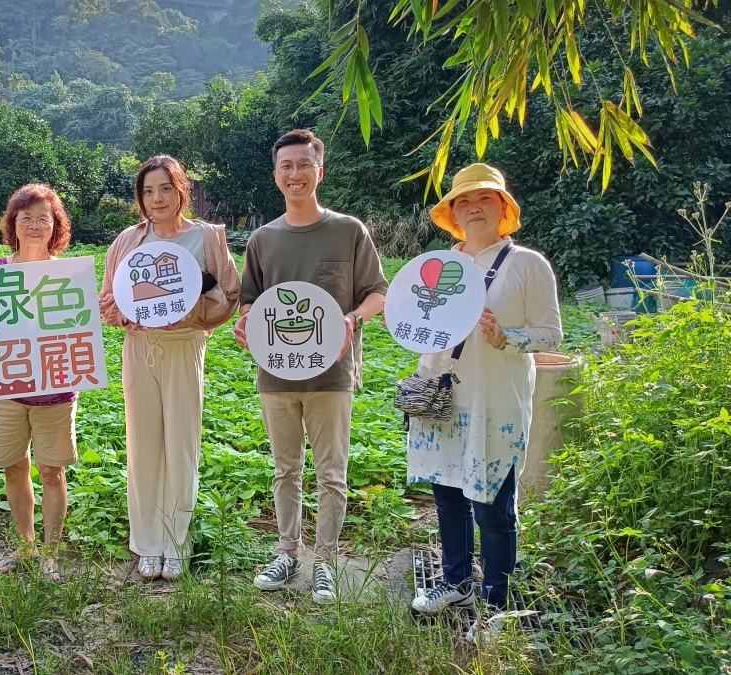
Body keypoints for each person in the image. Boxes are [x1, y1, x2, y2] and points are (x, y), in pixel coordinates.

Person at [405, 163, 562, 642]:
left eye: (485, 198)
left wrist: (505, 337)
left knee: (494, 506)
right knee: (447, 497)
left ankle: (496, 604)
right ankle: (456, 583)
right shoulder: (438, 265)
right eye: (464, 201)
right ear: (452, 214)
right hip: (441, 398)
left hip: (496, 402)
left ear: (503, 207)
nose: (474, 208)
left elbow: (551, 334)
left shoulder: (527, 264)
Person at [234, 129, 389, 603]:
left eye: (304, 164)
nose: (295, 173)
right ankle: (286, 551)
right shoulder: (262, 239)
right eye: (286, 166)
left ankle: (325, 560)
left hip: (331, 375)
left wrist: (352, 319)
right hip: (276, 373)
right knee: (285, 470)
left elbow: (378, 293)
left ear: (319, 171)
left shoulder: (348, 231)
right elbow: (249, 300)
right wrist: (247, 323)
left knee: (331, 473)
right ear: (276, 175)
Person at [99, 155, 241, 581]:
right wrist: (125, 315)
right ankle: (147, 543)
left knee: (182, 442)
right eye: (147, 191)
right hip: (140, 348)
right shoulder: (128, 241)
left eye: (165, 189)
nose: (156, 199)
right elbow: (109, 301)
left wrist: (192, 312)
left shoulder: (206, 237)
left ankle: (177, 542)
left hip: (184, 346)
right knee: (142, 444)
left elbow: (230, 295)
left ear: (181, 190)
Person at [0, 184, 77, 579]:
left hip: (55, 392)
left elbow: (77, 331)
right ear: (13, 224)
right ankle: (26, 547)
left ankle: (50, 553)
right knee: (14, 468)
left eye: (44, 218)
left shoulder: (67, 276)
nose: (35, 225)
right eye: (26, 218)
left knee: (51, 472)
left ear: (56, 225)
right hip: (5, 390)